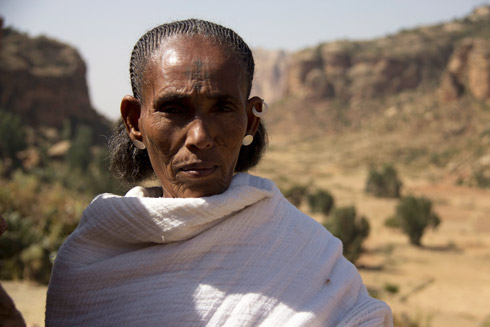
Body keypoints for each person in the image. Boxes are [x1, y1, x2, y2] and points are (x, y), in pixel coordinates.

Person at [45, 19, 392, 326]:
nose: (199, 137)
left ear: (250, 120)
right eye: (173, 109)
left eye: (223, 108)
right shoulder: (92, 260)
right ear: (135, 121)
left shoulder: (307, 253)